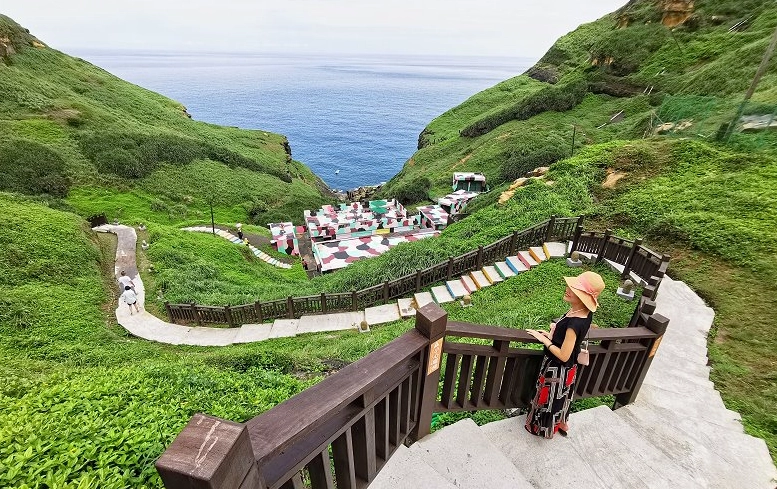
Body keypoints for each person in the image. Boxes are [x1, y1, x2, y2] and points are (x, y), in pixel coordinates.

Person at [524, 270, 605, 439]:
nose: (568, 289)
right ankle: (560, 422)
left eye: (575, 289)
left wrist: (544, 340)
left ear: (584, 297)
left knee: (550, 399)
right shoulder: (581, 313)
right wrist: (550, 335)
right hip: (568, 369)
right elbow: (568, 343)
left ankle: (542, 428)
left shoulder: (574, 323)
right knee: (560, 398)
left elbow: (563, 355)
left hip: (558, 368)